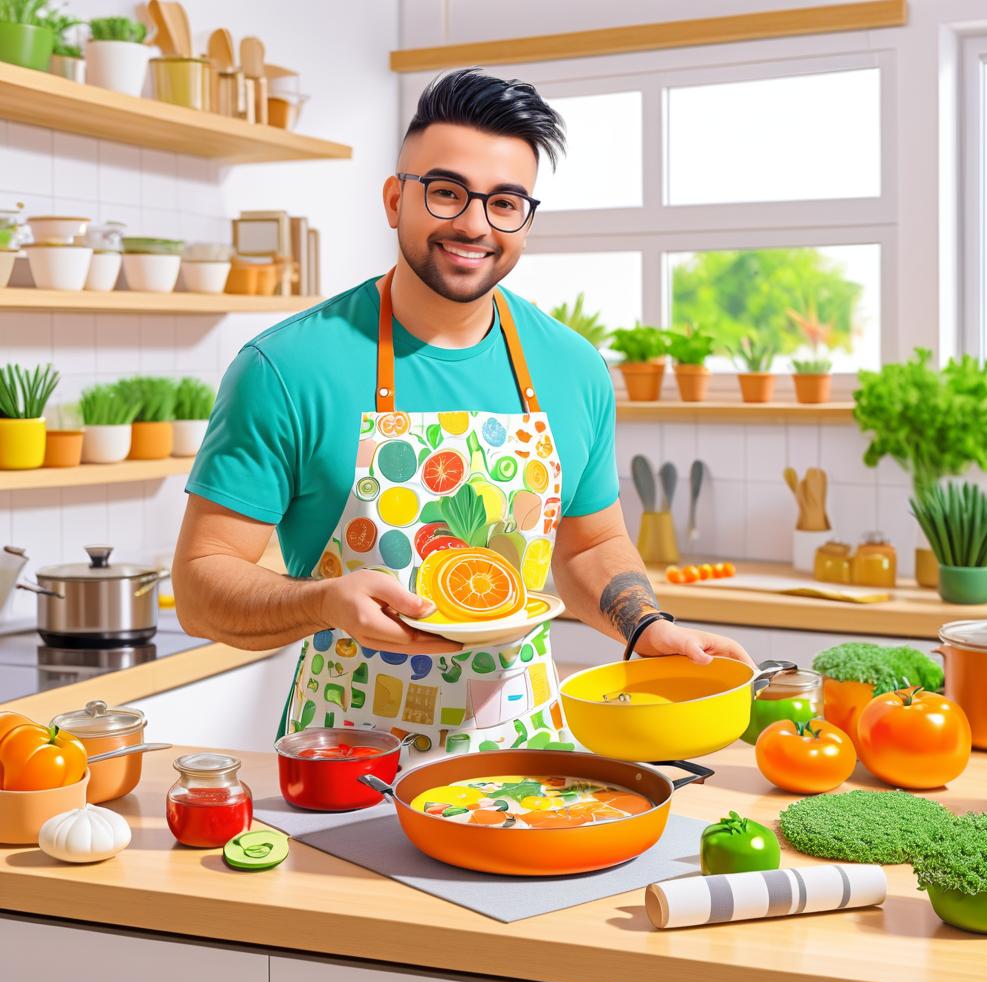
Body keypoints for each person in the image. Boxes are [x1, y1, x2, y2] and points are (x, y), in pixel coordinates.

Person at [172, 67, 754, 761]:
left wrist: (645, 627)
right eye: (447, 193)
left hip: (529, 758)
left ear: (525, 219)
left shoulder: (572, 368)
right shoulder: (286, 368)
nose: (475, 225)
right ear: (395, 200)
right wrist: (322, 601)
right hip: (347, 766)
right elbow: (201, 587)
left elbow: (591, 546)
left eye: (505, 203)